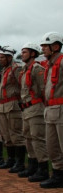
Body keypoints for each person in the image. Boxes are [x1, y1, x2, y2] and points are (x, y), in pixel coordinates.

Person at [18, 43, 49, 182]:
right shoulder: (24, 70)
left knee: (38, 138)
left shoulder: (37, 69)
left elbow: (44, 89)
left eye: (25, 52)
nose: (22, 54)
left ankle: (43, 169)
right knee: (28, 138)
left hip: (36, 108)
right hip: (26, 109)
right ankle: (33, 165)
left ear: (32, 53)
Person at [39, 32, 63, 188]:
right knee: (52, 146)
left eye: (45, 47)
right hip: (50, 110)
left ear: (55, 46)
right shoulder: (49, 65)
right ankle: (58, 175)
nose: (43, 50)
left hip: (61, 109)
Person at [0, 45, 26, 173]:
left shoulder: (16, 68)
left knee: (16, 135)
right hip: (3, 106)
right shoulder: (4, 70)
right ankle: (11, 160)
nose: (0, 59)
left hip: (13, 105)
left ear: (9, 57)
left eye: (2, 57)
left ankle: (20, 163)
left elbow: (23, 85)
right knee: (6, 135)